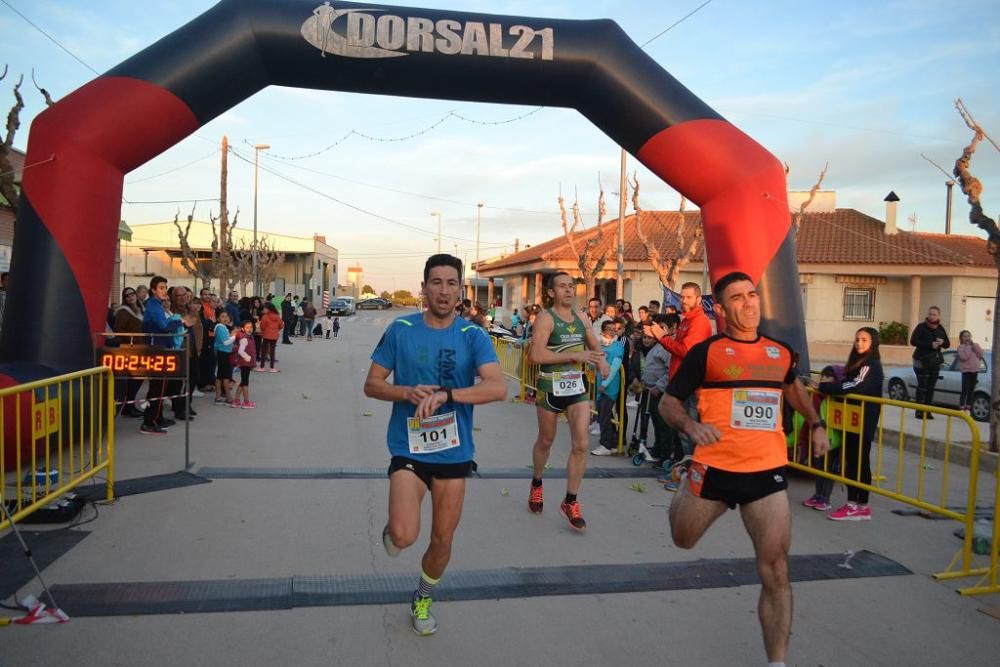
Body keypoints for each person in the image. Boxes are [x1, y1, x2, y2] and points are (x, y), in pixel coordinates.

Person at [659, 271, 829, 666]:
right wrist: (690, 425)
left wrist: (817, 424)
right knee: (683, 538)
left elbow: (793, 387)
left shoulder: (780, 352)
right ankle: (687, 479)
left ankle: (777, 662)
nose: (749, 303)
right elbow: (669, 402)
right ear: (720, 308)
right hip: (714, 467)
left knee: (776, 570)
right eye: (737, 297)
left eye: (752, 295)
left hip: (765, 474)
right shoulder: (708, 352)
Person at [364, 254, 506, 636]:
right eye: (436, 283)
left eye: (451, 283)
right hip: (408, 448)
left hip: (454, 452)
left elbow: (498, 387)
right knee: (404, 536)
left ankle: (423, 596)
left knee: (442, 538)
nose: (444, 291)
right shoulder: (401, 329)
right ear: (424, 287)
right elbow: (372, 384)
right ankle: (394, 528)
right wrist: (406, 391)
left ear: (461, 290)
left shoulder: (472, 335)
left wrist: (449, 395)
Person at [528, 272, 610, 531]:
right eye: (562, 287)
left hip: (576, 388)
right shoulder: (546, 318)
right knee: (546, 440)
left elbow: (594, 346)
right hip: (550, 386)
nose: (568, 291)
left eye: (571, 286)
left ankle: (570, 500)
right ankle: (537, 483)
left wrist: (602, 361)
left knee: (582, 444)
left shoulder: (582, 318)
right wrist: (576, 356)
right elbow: (535, 354)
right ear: (551, 292)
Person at [812, 327, 883, 520]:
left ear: (873, 342)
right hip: (852, 419)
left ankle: (861, 505)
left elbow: (855, 386)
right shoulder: (857, 362)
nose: (859, 343)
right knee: (852, 460)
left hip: (863, 420)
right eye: (857, 339)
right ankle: (853, 503)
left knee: (860, 461)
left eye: (864, 340)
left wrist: (825, 386)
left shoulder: (871, 364)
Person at [590, 319, 626, 456]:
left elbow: (615, 367)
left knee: (604, 415)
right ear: (603, 331)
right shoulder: (599, 346)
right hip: (599, 383)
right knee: (604, 414)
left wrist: (605, 384)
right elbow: (593, 364)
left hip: (609, 386)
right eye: (609, 329)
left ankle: (605, 444)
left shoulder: (617, 346)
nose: (611, 332)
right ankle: (612, 441)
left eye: (613, 329)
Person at [910, 306, 950, 419]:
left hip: (934, 361)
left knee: (931, 387)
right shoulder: (921, 327)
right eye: (930, 314)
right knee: (923, 386)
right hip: (921, 360)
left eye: (934, 314)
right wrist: (929, 345)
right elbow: (913, 341)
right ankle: (919, 411)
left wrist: (942, 342)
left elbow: (947, 344)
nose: (931, 316)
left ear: (939, 316)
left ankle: (928, 411)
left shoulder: (940, 328)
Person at [113, 287, 146, 418]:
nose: (131, 297)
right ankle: (128, 406)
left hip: (141, 348)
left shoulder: (141, 309)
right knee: (134, 378)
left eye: (132, 294)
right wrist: (132, 338)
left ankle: (130, 404)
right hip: (131, 349)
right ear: (124, 298)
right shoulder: (123, 311)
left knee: (139, 377)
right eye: (127, 296)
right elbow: (118, 330)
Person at [956, 330, 984, 412]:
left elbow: (981, 354)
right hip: (966, 371)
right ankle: (961, 407)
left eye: (968, 336)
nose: (967, 338)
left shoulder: (975, 345)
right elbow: (964, 357)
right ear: (961, 338)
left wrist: (975, 346)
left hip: (975, 370)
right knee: (965, 389)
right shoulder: (961, 347)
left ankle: (968, 408)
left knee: (971, 390)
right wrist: (968, 347)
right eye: (964, 336)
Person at [231, 320, 257, 408]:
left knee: (243, 381)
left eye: (251, 327)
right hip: (245, 363)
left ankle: (236, 400)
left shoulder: (249, 337)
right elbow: (241, 351)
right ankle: (246, 402)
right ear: (243, 328)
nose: (250, 329)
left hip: (246, 363)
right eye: (247, 327)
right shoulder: (244, 338)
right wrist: (249, 359)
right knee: (245, 382)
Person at [213, 311, 236, 404]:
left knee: (220, 375)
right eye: (222, 316)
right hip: (223, 353)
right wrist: (234, 335)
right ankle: (228, 396)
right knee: (226, 376)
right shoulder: (220, 327)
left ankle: (218, 396)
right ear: (218, 319)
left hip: (223, 353)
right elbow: (225, 342)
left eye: (226, 316)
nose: (225, 318)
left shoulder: (222, 327)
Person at [257, 303, 282, 372]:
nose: (263, 310)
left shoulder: (265, 317)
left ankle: (262, 367)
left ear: (268, 309)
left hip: (266, 336)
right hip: (275, 336)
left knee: (264, 351)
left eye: (264, 308)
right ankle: (272, 368)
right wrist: (276, 330)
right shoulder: (277, 316)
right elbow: (281, 325)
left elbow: (262, 326)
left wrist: (265, 330)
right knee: (272, 351)